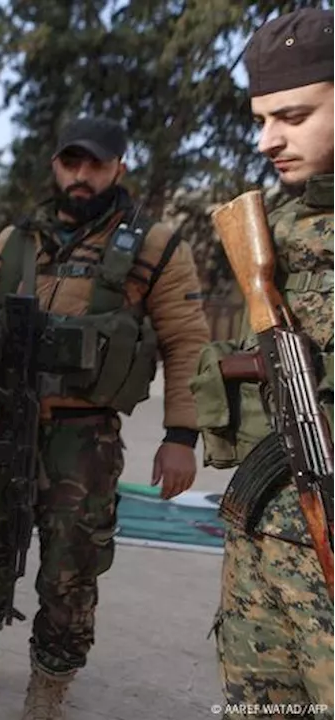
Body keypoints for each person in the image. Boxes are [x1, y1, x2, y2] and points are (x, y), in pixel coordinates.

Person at [0, 116, 211, 719]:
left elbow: (187, 343)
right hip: (3, 421)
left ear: (119, 168)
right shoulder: (13, 242)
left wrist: (181, 437)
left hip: (85, 434)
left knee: (72, 564)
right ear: (55, 166)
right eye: (71, 162)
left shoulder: (155, 245)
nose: (81, 175)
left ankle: (49, 685)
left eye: (95, 164)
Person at [191, 8, 335, 710]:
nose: (268, 140)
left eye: (294, 115)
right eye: (259, 119)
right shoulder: (274, 226)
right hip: (260, 540)